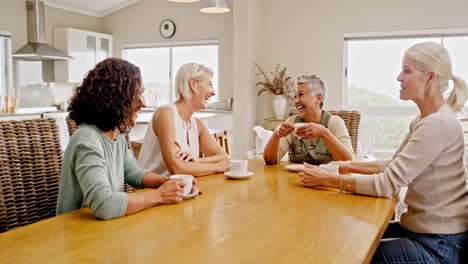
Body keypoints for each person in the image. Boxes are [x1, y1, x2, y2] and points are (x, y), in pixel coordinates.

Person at [298, 42, 468, 263]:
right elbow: (394, 164)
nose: (398, 77)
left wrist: (329, 180)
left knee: (350, 253)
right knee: (347, 235)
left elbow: (387, 185)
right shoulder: (425, 119)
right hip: (423, 232)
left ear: (430, 78)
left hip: (438, 244)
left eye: (407, 70)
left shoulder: (437, 124)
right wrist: (345, 166)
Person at [57, 58, 192, 220]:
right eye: (137, 95)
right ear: (115, 98)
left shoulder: (117, 137)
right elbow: (104, 205)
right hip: (76, 233)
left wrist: (173, 182)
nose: (144, 103)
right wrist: (160, 195)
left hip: (104, 229)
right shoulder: (87, 139)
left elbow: (135, 174)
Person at [138, 63, 230, 177]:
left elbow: (224, 158)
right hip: (150, 190)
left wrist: (196, 161)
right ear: (193, 84)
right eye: (210, 85)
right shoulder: (166, 113)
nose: (213, 92)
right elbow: (176, 168)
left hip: (180, 188)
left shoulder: (197, 124)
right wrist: (216, 167)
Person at [263, 73, 353, 164]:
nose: (296, 101)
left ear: (318, 98)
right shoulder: (292, 122)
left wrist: (324, 133)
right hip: (296, 178)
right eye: (295, 96)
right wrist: (276, 135)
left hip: (325, 178)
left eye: (301, 94)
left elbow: (349, 161)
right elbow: (270, 160)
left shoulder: (334, 123)